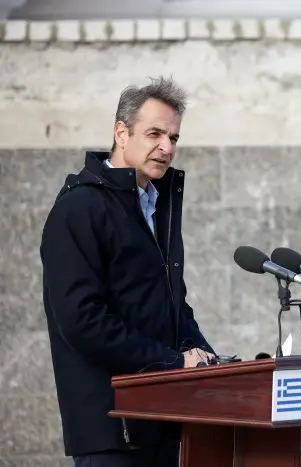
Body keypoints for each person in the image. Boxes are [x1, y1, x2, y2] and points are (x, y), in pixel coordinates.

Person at [40, 77, 216, 467]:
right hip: (111, 430)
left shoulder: (157, 206)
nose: (166, 147)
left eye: (173, 137)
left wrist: (210, 361)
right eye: (154, 133)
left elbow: (173, 307)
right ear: (121, 133)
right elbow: (83, 321)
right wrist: (172, 362)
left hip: (163, 419)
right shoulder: (79, 209)